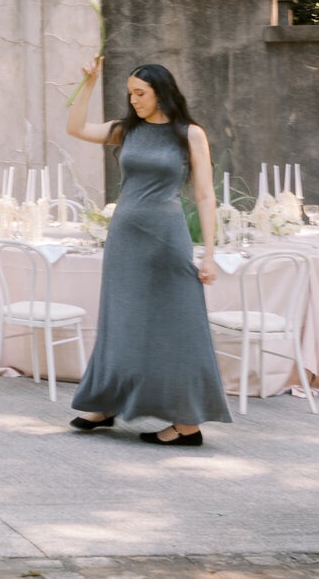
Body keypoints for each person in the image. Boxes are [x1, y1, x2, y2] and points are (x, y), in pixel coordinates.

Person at [66, 58, 230, 444]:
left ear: (161, 92)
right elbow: (75, 128)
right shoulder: (126, 130)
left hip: (166, 236)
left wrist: (209, 252)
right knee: (120, 320)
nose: (133, 100)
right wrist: (88, 82)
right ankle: (108, 402)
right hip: (124, 237)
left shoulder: (189, 134)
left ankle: (188, 425)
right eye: (130, 93)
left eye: (141, 93)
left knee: (177, 324)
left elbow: (205, 195)